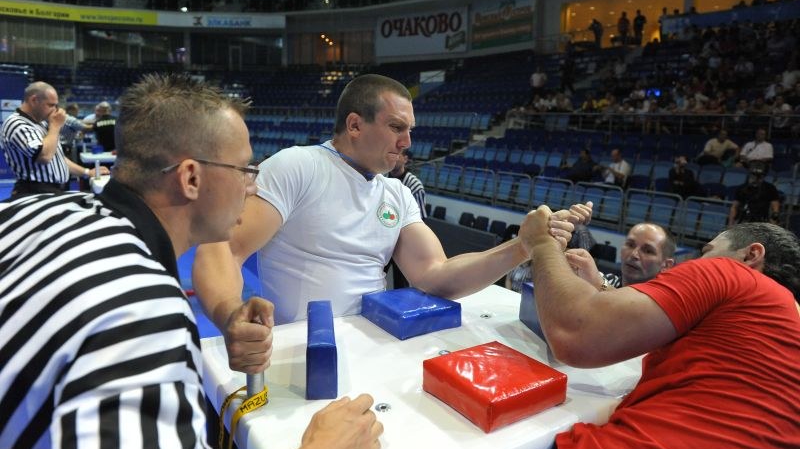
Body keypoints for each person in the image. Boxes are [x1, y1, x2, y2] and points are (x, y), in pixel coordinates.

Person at [0, 74, 382, 449]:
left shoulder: (32, 211)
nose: (253, 187)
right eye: (245, 170)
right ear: (191, 178)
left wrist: (229, 314)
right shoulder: (142, 312)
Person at [192, 74, 584, 337]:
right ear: (355, 125)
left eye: (410, 130)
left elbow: (436, 275)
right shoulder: (298, 165)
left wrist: (521, 247)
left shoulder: (396, 194)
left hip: (376, 341)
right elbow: (225, 247)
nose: (407, 142)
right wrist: (231, 314)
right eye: (397, 127)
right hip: (302, 347)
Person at [519, 207, 800, 449]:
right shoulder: (779, 318)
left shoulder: (733, 274)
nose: (703, 261)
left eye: (708, 252)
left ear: (751, 254)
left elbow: (576, 335)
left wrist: (541, 243)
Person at [0, 81, 109, 199]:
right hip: (35, 192)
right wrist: (55, 126)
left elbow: (58, 158)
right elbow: (44, 156)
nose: (54, 110)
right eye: (51, 105)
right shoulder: (16, 124)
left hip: (51, 189)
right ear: (34, 100)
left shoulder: (40, 122)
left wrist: (87, 172)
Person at [387, 148, 426, 289]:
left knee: (401, 283)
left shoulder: (415, 185)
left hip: (402, 243)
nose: (396, 157)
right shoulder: (382, 178)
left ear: (405, 159)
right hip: (384, 239)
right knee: (375, 277)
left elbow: (420, 220)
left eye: (399, 154)